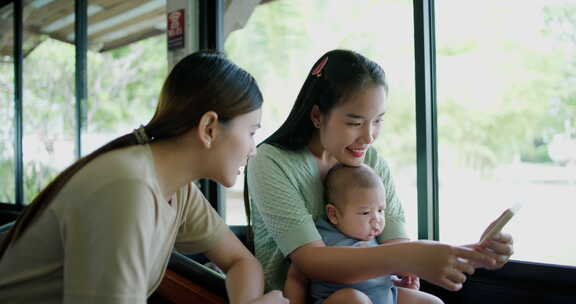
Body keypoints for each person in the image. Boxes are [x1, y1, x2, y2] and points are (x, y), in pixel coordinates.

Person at [0, 51, 287, 304]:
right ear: (209, 128)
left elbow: (241, 261)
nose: (253, 150)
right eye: (251, 132)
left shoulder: (179, 188)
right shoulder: (126, 188)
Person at [245, 49, 514, 301]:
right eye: (354, 123)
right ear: (317, 115)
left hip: (375, 291)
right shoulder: (270, 161)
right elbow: (311, 261)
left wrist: (473, 253)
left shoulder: (370, 160)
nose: (368, 137)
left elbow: (394, 241)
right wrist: (407, 256)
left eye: (378, 120)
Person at [284, 163, 443, 304]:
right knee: (353, 299)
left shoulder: (374, 237)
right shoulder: (321, 237)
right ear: (334, 214)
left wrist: (398, 283)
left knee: (433, 302)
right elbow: (296, 278)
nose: (377, 220)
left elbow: (379, 278)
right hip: (344, 299)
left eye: (380, 210)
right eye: (365, 213)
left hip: (386, 296)